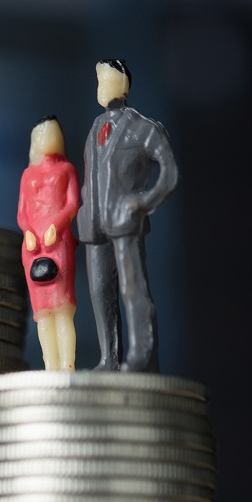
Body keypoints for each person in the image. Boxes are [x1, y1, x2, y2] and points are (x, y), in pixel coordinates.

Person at [77, 59, 179, 372]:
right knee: (99, 291)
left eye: (107, 80)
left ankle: (141, 355)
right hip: (94, 224)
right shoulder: (96, 127)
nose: (101, 87)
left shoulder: (141, 127)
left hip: (124, 223)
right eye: (99, 81)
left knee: (132, 288)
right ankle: (108, 358)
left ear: (122, 86)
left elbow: (170, 172)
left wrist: (143, 201)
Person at [18, 115, 80, 370]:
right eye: (43, 134)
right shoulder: (27, 174)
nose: (48, 139)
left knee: (62, 307)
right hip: (33, 246)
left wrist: (56, 225)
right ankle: (50, 366)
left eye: (52, 133)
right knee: (42, 312)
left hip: (58, 242)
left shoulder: (67, 170)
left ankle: (67, 365)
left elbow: (72, 204)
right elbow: (22, 212)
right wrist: (28, 231)